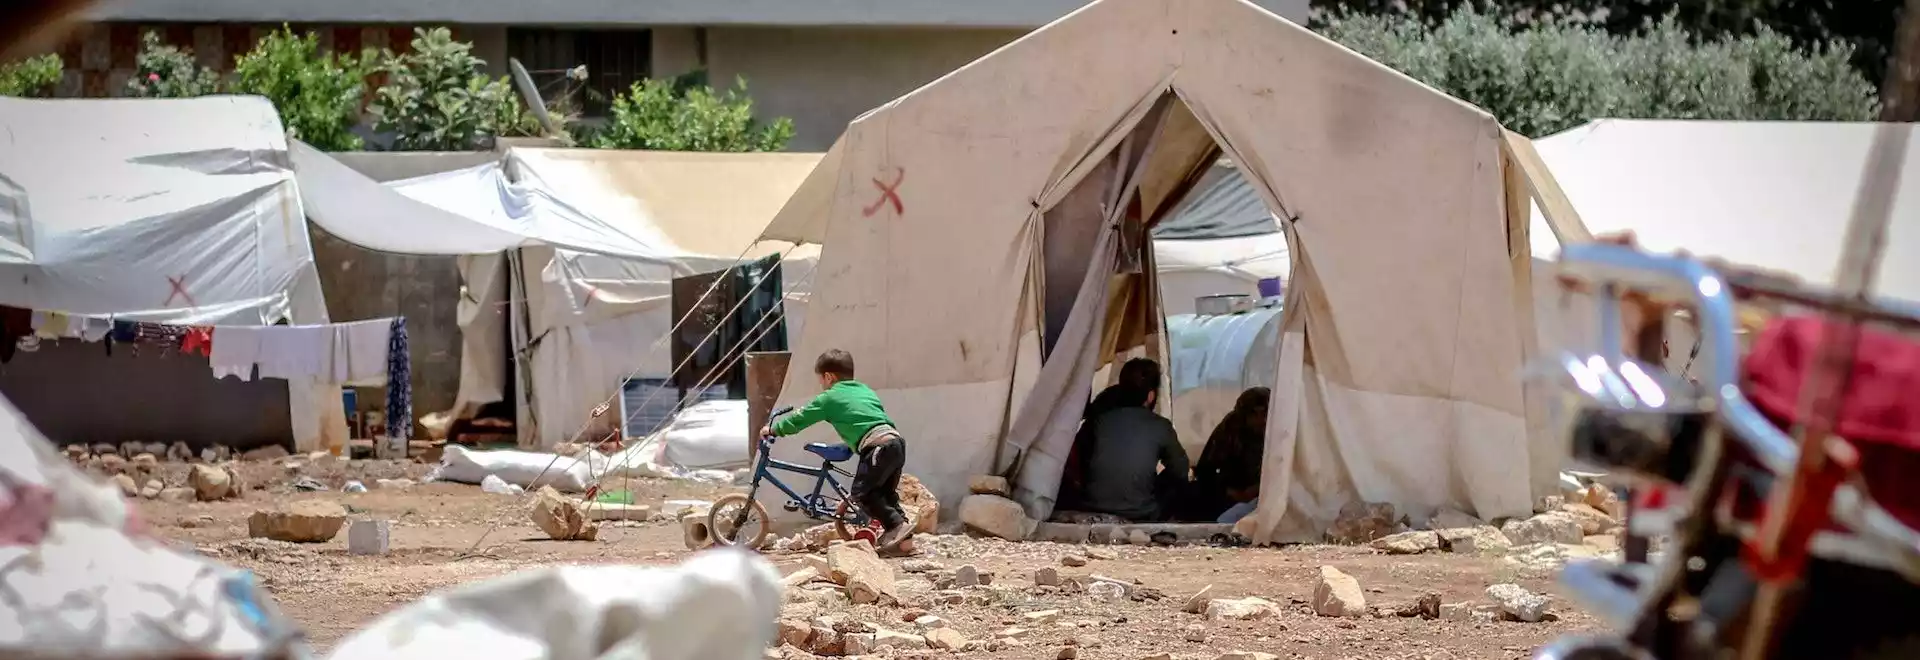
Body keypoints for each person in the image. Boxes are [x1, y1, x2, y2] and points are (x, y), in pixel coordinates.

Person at [759, 349, 912, 550]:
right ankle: (906, 542)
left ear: (829, 376)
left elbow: (800, 419)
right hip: (895, 442)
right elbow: (865, 418)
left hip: (876, 446)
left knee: (862, 493)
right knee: (886, 494)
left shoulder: (829, 398)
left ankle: (896, 526)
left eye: (821, 380)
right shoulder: (865, 390)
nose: (821, 385)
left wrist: (774, 429)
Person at [1078, 376, 1188, 522]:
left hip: (1094, 507)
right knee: (1180, 486)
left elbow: (1082, 459)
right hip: (1141, 512)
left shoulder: (1099, 421)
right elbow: (1180, 469)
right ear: (1151, 395)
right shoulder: (1160, 425)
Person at [1059, 358, 1163, 510]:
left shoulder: (1107, 403)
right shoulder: (1153, 425)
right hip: (1114, 497)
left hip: (1088, 495)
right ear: (1151, 396)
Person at [1190, 387, 1270, 523]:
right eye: (1254, 413)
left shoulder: (1281, 430)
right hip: (1230, 496)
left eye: (1264, 413)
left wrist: (1259, 489)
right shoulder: (1230, 428)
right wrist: (1231, 492)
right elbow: (1205, 471)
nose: (1260, 420)